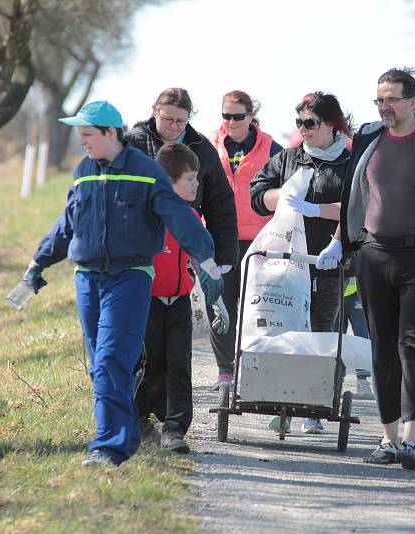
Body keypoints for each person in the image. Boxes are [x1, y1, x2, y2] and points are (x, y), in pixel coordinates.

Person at [19, 101, 224, 467]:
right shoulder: (84, 171)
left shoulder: (147, 172)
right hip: (87, 278)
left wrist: (207, 262)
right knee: (100, 363)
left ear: (110, 133)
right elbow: (67, 224)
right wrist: (38, 262)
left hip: (129, 278)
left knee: (114, 357)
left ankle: (108, 447)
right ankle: (125, 430)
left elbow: (181, 217)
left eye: (87, 134)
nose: (81, 141)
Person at [316, 67, 415, 470]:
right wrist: (338, 240)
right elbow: (353, 195)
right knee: (382, 349)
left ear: (413, 102)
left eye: (392, 100)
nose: (384, 107)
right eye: (379, 100)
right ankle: (387, 439)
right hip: (373, 254)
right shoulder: (367, 138)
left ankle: (411, 440)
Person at [250, 91, 352, 435]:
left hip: (329, 261)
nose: (303, 129)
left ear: (331, 125)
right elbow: (257, 195)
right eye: (299, 123)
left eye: (310, 123)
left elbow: (359, 207)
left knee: (322, 331)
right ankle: (283, 403)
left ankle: (316, 404)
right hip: (286, 261)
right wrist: (281, 198)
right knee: (286, 329)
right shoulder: (289, 159)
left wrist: (316, 209)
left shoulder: (349, 163)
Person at [134, 143, 230, 454]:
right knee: (153, 365)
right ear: (168, 181)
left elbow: (202, 260)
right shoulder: (146, 214)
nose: (197, 184)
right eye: (190, 178)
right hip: (147, 302)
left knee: (179, 364)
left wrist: (217, 299)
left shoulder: (190, 217)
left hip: (178, 302)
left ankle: (174, 428)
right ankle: (137, 418)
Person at [207, 90, 283, 391]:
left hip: (260, 242)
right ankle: (225, 371)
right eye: (226, 115)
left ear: (251, 116)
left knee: (258, 309)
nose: (232, 121)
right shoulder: (210, 145)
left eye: (238, 116)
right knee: (221, 306)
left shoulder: (270, 147)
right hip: (219, 239)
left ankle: (257, 369)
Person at [124, 87, 238, 283]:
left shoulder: (202, 147)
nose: (174, 127)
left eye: (181, 121)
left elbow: (220, 203)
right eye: (168, 119)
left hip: (186, 252)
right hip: (142, 250)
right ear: (154, 110)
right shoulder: (131, 144)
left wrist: (224, 255)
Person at [334, 275, 372, 396]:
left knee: (361, 335)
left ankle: (363, 379)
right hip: (334, 291)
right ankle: (336, 380)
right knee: (335, 338)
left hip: (356, 293)